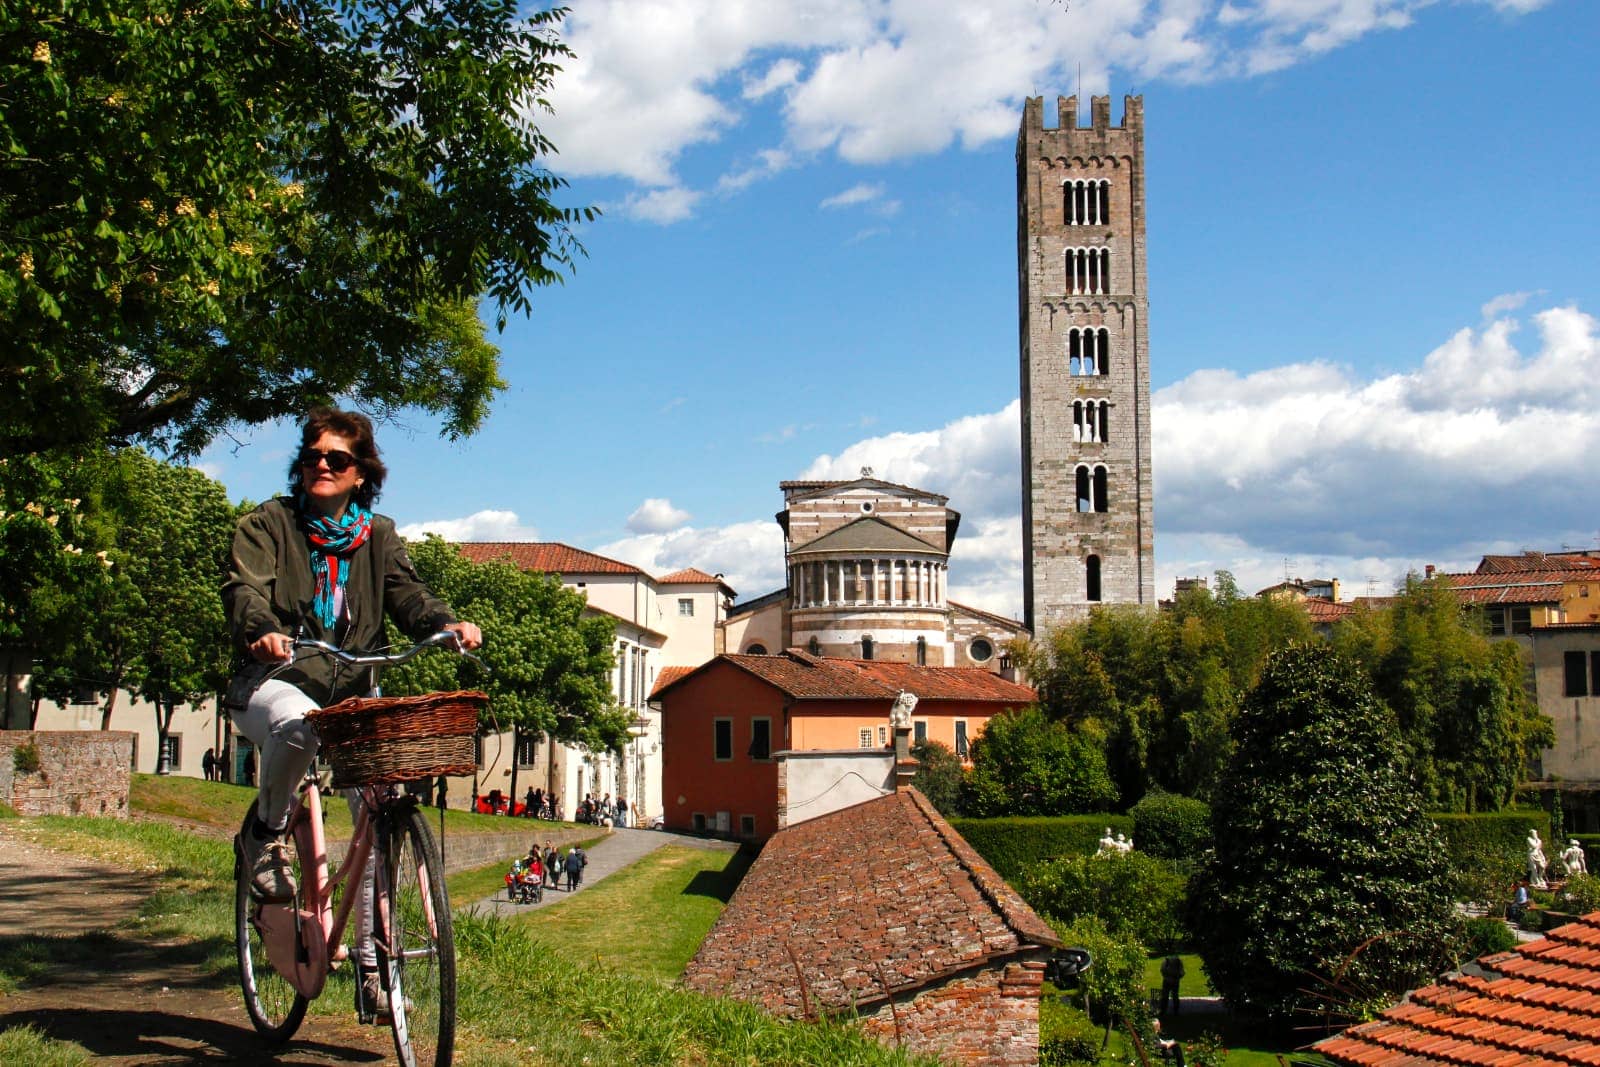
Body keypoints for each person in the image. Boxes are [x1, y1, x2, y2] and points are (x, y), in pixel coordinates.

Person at [221, 407, 482, 1017]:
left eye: (336, 459)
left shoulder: (379, 535)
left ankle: (374, 967)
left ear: (362, 473)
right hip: (276, 679)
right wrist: (261, 629)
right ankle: (263, 835)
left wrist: (445, 624)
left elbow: (407, 594)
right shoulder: (269, 525)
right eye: (312, 455)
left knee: (378, 810)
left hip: (350, 690)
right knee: (294, 723)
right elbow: (245, 590)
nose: (320, 465)